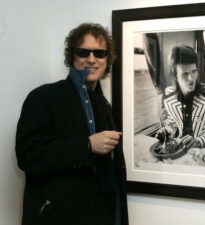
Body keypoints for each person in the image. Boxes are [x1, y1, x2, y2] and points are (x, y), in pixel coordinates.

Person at [15, 23, 128, 225]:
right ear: (72, 56)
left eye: (100, 53)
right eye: (83, 52)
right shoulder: (42, 97)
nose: (91, 59)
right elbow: (28, 157)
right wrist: (86, 145)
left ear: (107, 60)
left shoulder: (104, 105)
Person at [156, 45, 205, 149]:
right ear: (175, 76)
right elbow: (173, 124)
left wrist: (198, 142)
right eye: (185, 74)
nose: (191, 78)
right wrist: (167, 130)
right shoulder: (168, 94)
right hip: (179, 149)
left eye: (194, 71)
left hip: (204, 152)